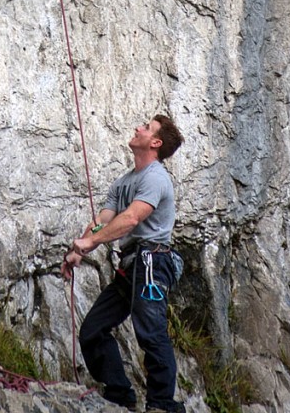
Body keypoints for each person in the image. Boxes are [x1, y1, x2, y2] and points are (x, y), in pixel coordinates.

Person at [62, 115, 185, 413]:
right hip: (133, 265)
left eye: (146, 127)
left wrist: (92, 243)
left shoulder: (155, 177)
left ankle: (162, 405)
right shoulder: (125, 181)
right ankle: (119, 395)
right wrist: (80, 248)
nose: (137, 128)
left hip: (153, 262)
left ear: (155, 142)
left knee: (151, 330)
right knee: (93, 329)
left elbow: (131, 218)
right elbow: (104, 219)